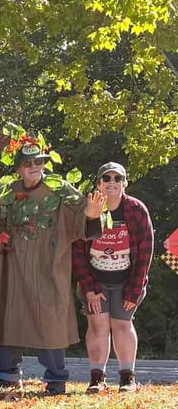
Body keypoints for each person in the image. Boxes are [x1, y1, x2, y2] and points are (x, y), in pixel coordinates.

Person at [0, 135, 104, 395]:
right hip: (12, 267)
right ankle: (7, 374)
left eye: (39, 162)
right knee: (9, 314)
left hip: (47, 265)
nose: (34, 166)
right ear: (18, 167)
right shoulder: (8, 192)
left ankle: (56, 378)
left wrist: (91, 214)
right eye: (28, 162)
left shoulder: (61, 189)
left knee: (50, 319)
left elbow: (81, 221)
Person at [71, 162, 153, 393]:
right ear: (98, 184)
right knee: (97, 325)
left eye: (118, 179)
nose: (112, 183)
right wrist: (89, 287)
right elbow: (77, 250)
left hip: (127, 280)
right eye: (106, 178)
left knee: (122, 325)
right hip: (95, 281)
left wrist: (135, 289)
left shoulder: (136, 210)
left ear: (124, 183)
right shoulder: (87, 210)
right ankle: (97, 379)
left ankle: (127, 378)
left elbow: (146, 252)